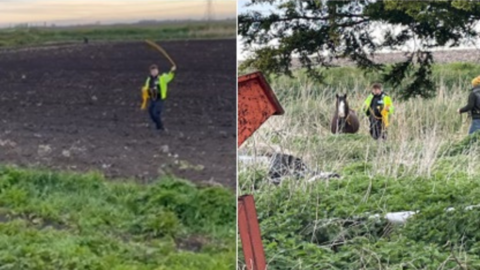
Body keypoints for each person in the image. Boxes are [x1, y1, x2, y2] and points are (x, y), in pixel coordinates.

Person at [141, 64, 176, 131]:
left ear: (158, 71)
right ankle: (158, 126)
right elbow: (147, 86)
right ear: (150, 72)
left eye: (155, 71)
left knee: (155, 113)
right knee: (151, 112)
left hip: (159, 99)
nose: (154, 72)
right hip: (152, 98)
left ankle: (160, 127)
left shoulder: (162, 78)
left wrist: (172, 71)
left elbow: (169, 77)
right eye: (152, 71)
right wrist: (144, 89)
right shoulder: (149, 79)